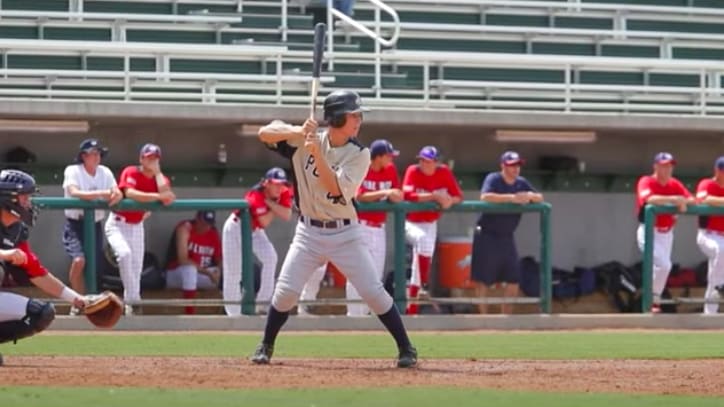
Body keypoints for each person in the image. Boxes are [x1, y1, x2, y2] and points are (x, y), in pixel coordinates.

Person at [250, 89, 417, 368]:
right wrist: (298, 131)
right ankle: (266, 344)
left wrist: (317, 153)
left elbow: (336, 188)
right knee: (286, 291)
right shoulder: (304, 140)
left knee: (372, 292)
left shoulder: (360, 154)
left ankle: (406, 348)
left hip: (345, 233)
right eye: (354, 115)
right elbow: (264, 133)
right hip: (308, 233)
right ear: (337, 118)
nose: (359, 121)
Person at [0, 169, 87, 366]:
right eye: (24, 198)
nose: (28, 203)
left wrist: (77, 299)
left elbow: (37, 272)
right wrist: (4, 254)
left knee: (41, 313)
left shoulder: (16, 230)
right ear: (8, 199)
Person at [105, 143, 175, 315]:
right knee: (124, 255)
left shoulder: (160, 178)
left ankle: (131, 307)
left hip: (137, 226)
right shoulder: (131, 171)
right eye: (148, 157)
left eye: (155, 158)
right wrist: (157, 197)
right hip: (118, 223)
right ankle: (134, 301)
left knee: (136, 268)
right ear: (141, 158)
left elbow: (167, 195)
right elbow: (130, 193)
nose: (151, 160)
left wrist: (158, 173)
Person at [470, 151, 544, 314]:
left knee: (514, 279)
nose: (515, 169)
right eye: (511, 165)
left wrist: (529, 196)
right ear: (503, 166)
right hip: (487, 235)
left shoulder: (521, 182)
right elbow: (485, 197)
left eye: (517, 165)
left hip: (506, 237)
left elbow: (540, 197)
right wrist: (511, 198)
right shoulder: (494, 178)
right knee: (483, 280)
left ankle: (505, 319)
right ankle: (484, 320)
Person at [62, 138, 123, 315]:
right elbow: (74, 192)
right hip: (75, 223)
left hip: (95, 224)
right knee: (79, 261)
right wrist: (101, 194)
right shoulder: (73, 170)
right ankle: (77, 302)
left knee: (94, 266)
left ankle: (90, 304)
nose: (96, 157)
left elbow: (116, 192)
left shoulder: (105, 172)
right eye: (92, 154)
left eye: (98, 154)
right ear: (83, 156)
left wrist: (115, 195)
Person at [222, 167, 293, 316]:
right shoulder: (255, 194)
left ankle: (262, 305)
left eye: (281, 184)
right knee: (234, 273)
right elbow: (265, 221)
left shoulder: (284, 191)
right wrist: (276, 206)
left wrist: (271, 203)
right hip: (236, 228)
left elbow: (287, 215)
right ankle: (233, 314)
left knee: (270, 258)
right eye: (275, 184)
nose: (279, 188)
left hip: (255, 231)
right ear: (266, 183)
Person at [402, 145, 463, 314]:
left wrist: (450, 201)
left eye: (428, 161)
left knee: (420, 259)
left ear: (436, 162)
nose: (424, 163)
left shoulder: (443, 172)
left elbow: (458, 196)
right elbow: (407, 195)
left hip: (430, 223)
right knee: (422, 242)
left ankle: (412, 307)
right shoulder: (413, 171)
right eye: (422, 160)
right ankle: (423, 287)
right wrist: (434, 196)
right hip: (410, 222)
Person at [347, 139, 402, 316]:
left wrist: (395, 196)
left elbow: (398, 193)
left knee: (375, 276)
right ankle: (354, 315)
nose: (391, 159)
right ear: (378, 157)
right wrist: (385, 193)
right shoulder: (363, 167)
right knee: (357, 272)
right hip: (360, 227)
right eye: (388, 156)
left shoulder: (391, 170)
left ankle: (367, 316)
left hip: (379, 228)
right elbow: (359, 196)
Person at [635, 152, 693, 314]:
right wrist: (675, 200)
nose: (667, 169)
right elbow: (648, 199)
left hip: (667, 234)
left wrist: (683, 201)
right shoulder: (646, 181)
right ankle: (652, 299)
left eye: (670, 166)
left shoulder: (675, 184)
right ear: (655, 166)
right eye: (664, 165)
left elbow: (692, 199)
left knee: (662, 268)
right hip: (648, 231)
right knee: (664, 265)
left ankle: (652, 300)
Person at [165, 210, 222, 315]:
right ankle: (190, 314)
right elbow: (183, 260)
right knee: (190, 270)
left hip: (202, 275)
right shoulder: (185, 228)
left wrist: (218, 270)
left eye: (209, 224)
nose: (206, 227)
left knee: (220, 272)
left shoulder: (213, 232)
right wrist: (208, 273)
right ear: (197, 219)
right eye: (204, 223)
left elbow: (219, 259)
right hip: (177, 274)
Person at [695, 156, 724, 315]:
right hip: (707, 235)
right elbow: (704, 199)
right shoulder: (707, 183)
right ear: (717, 171)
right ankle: (720, 285)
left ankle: (710, 313)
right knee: (721, 250)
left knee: (717, 266)